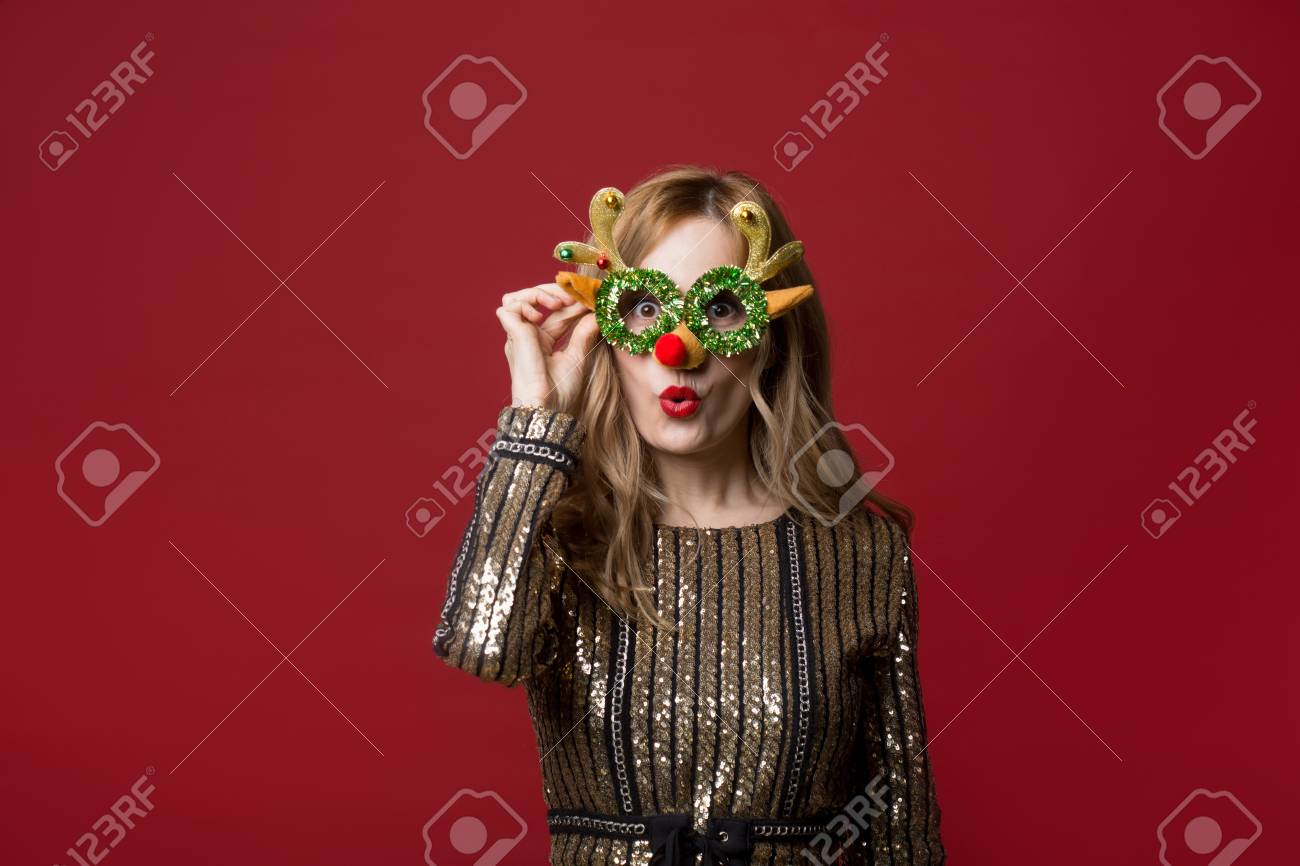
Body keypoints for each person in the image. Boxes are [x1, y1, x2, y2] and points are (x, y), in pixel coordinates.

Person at [433, 165, 946, 864]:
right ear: (602, 329)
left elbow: (900, 827)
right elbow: (481, 649)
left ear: (771, 338)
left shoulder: (861, 551)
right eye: (645, 309)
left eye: (722, 309)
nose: (680, 352)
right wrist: (536, 419)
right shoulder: (558, 537)